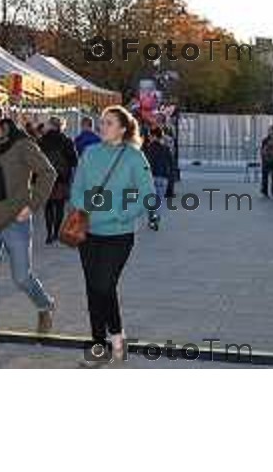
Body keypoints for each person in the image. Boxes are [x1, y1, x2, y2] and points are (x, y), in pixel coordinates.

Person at [0, 100, 57, 354]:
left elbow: (48, 173)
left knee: (22, 277)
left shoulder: (21, 144)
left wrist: (32, 205)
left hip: (17, 221)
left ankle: (45, 305)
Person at [70, 105, 155, 366]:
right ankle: (99, 345)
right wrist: (86, 208)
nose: (102, 127)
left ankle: (116, 333)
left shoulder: (133, 157)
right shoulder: (90, 153)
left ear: (122, 128)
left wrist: (119, 214)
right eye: (101, 122)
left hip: (119, 234)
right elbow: (77, 189)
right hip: (89, 233)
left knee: (104, 284)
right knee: (93, 289)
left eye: (108, 123)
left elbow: (147, 194)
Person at [38, 117, 78, 244]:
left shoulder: (41, 141)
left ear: (50, 126)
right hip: (61, 177)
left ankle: (49, 234)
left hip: (46, 177)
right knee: (59, 205)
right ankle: (56, 233)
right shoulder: (66, 141)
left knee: (48, 206)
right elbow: (74, 160)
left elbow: (37, 160)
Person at [143, 126, 173, 229]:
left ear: (154, 136)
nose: (149, 137)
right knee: (159, 200)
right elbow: (171, 164)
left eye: (150, 135)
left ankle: (151, 218)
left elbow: (145, 164)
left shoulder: (148, 149)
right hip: (163, 177)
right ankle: (156, 217)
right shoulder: (166, 148)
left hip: (151, 177)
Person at [260, 126, 273, 198]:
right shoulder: (265, 140)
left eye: (271, 131)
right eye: (269, 131)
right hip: (266, 160)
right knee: (265, 177)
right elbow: (262, 150)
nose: (270, 132)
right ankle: (265, 190)